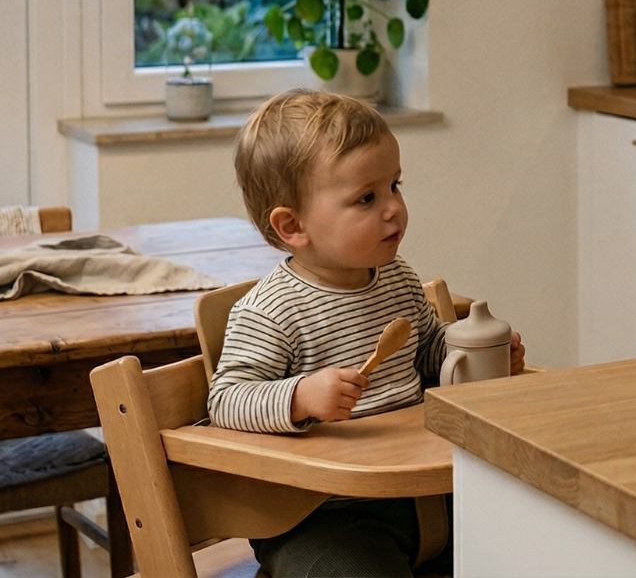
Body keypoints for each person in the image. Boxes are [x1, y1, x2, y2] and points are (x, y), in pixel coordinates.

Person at [210, 89, 525, 578]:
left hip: (425, 493)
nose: (393, 209)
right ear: (293, 225)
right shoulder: (271, 310)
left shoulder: (397, 278)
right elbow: (226, 400)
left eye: (395, 186)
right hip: (322, 516)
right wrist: (299, 397)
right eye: (367, 198)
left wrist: (467, 349)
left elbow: (425, 356)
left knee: (534, 542)